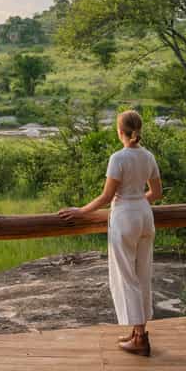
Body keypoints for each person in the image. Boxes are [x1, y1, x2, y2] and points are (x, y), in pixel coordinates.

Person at [58, 110, 162, 356]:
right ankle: (139, 333)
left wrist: (80, 211)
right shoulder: (148, 156)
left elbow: (106, 196)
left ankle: (139, 338)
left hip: (125, 218)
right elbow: (156, 193)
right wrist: (137, 201)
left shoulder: (118, 158)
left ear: (120, 132)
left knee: (127, 277)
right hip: (145, 216)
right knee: (142, 274)